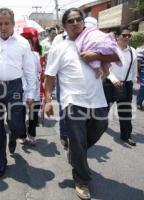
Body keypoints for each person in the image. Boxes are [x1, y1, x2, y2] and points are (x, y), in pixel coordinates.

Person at [44, 8, 119, 200]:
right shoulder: (59, 47)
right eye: (71, 20)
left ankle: (76, 155)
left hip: (97, 99)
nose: (76, 23)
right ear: (64, 26)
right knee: (77, 141)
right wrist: (48, 101)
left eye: (79, 19)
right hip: (73, 100)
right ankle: (81, 180)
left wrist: (96, 56)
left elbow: (116, 56)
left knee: (100, 127)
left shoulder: (94, 41)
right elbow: (50, 76)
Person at [0, 8, 36, 177]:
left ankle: (14, 136)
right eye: (0, 24)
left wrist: (30, 94)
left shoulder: (22, 43)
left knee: (17, 126)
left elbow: (30, 71)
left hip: (15, 88)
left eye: (7, 23)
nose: (3, 27)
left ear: (13, 23)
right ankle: (1, 161)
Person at [106, 27, 137, 146]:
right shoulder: (110, 50)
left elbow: (134, 69)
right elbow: (106, 67)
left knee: (125, 111)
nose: (127, 38)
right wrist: (113, 79)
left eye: (129, 36)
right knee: (104, 109)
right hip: (110, 83)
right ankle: (96, 129)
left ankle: (126, 135)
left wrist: (132, 82)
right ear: (117, 36)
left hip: (126, 84)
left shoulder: (133, 51)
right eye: (124, 35)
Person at [18, 28, 41, 145]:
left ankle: (31, 135)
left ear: (32, 45)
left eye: (30, 43)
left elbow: (39, 71)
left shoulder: (36, 55)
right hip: (21, 89)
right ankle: (22, 135)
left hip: (34, 90)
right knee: (21, 115)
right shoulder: (17, 57)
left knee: (33, 116)